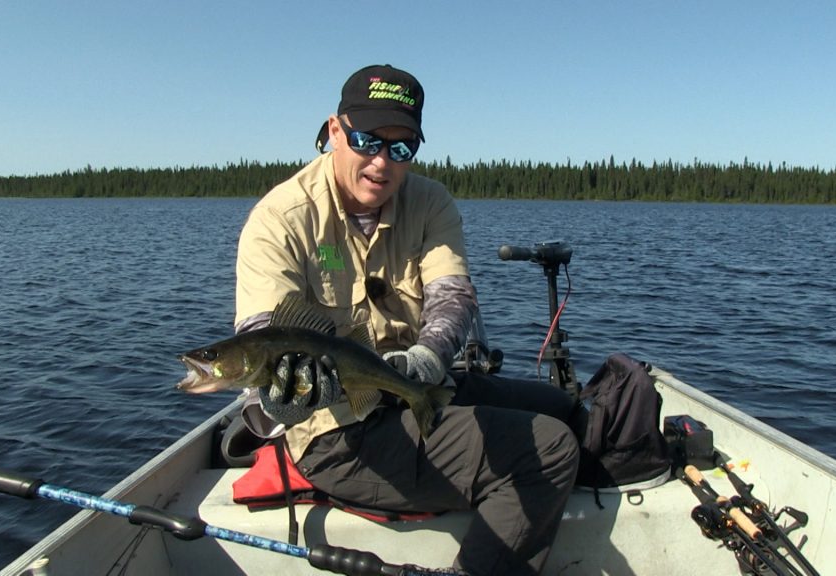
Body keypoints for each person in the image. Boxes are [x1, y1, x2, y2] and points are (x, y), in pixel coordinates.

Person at [233, 64, 581, 575]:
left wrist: (426, 355)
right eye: (367, 140)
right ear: (334, 131)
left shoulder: (430, 201)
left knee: (565, 410)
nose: (382, 163)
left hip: (410, 385)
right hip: (339, 435)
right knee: (548, 452)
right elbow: (265, 342)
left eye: (401, 148)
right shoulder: (280, 219)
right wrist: (285, 399)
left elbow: (452, 294)